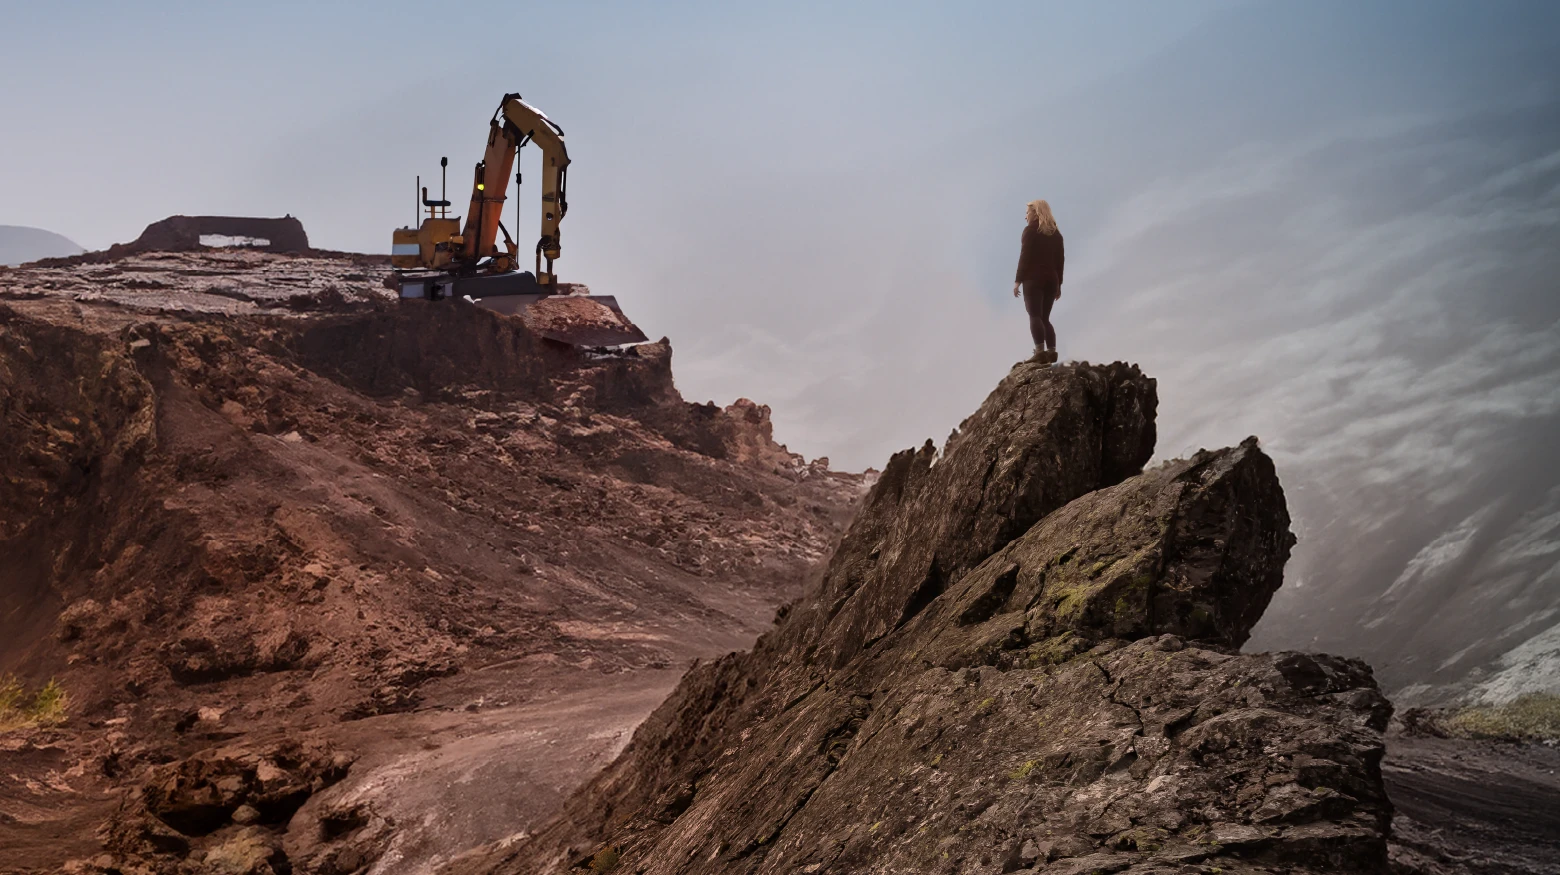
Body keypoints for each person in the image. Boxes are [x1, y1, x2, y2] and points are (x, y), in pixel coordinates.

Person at [1012, 199, 1064, 364]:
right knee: (1045, 318)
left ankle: (1040, 352)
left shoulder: (1030, 231)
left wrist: (1018, 280)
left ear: (1035, 213)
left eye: (1027, 212)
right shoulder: (1056, 234)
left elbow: (1024, 256)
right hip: (1051, 280)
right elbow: (1060, 262)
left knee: (1035, 315)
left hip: (1033, 279)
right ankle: (1052, 351)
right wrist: (1058, 286)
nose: (1025, 216)